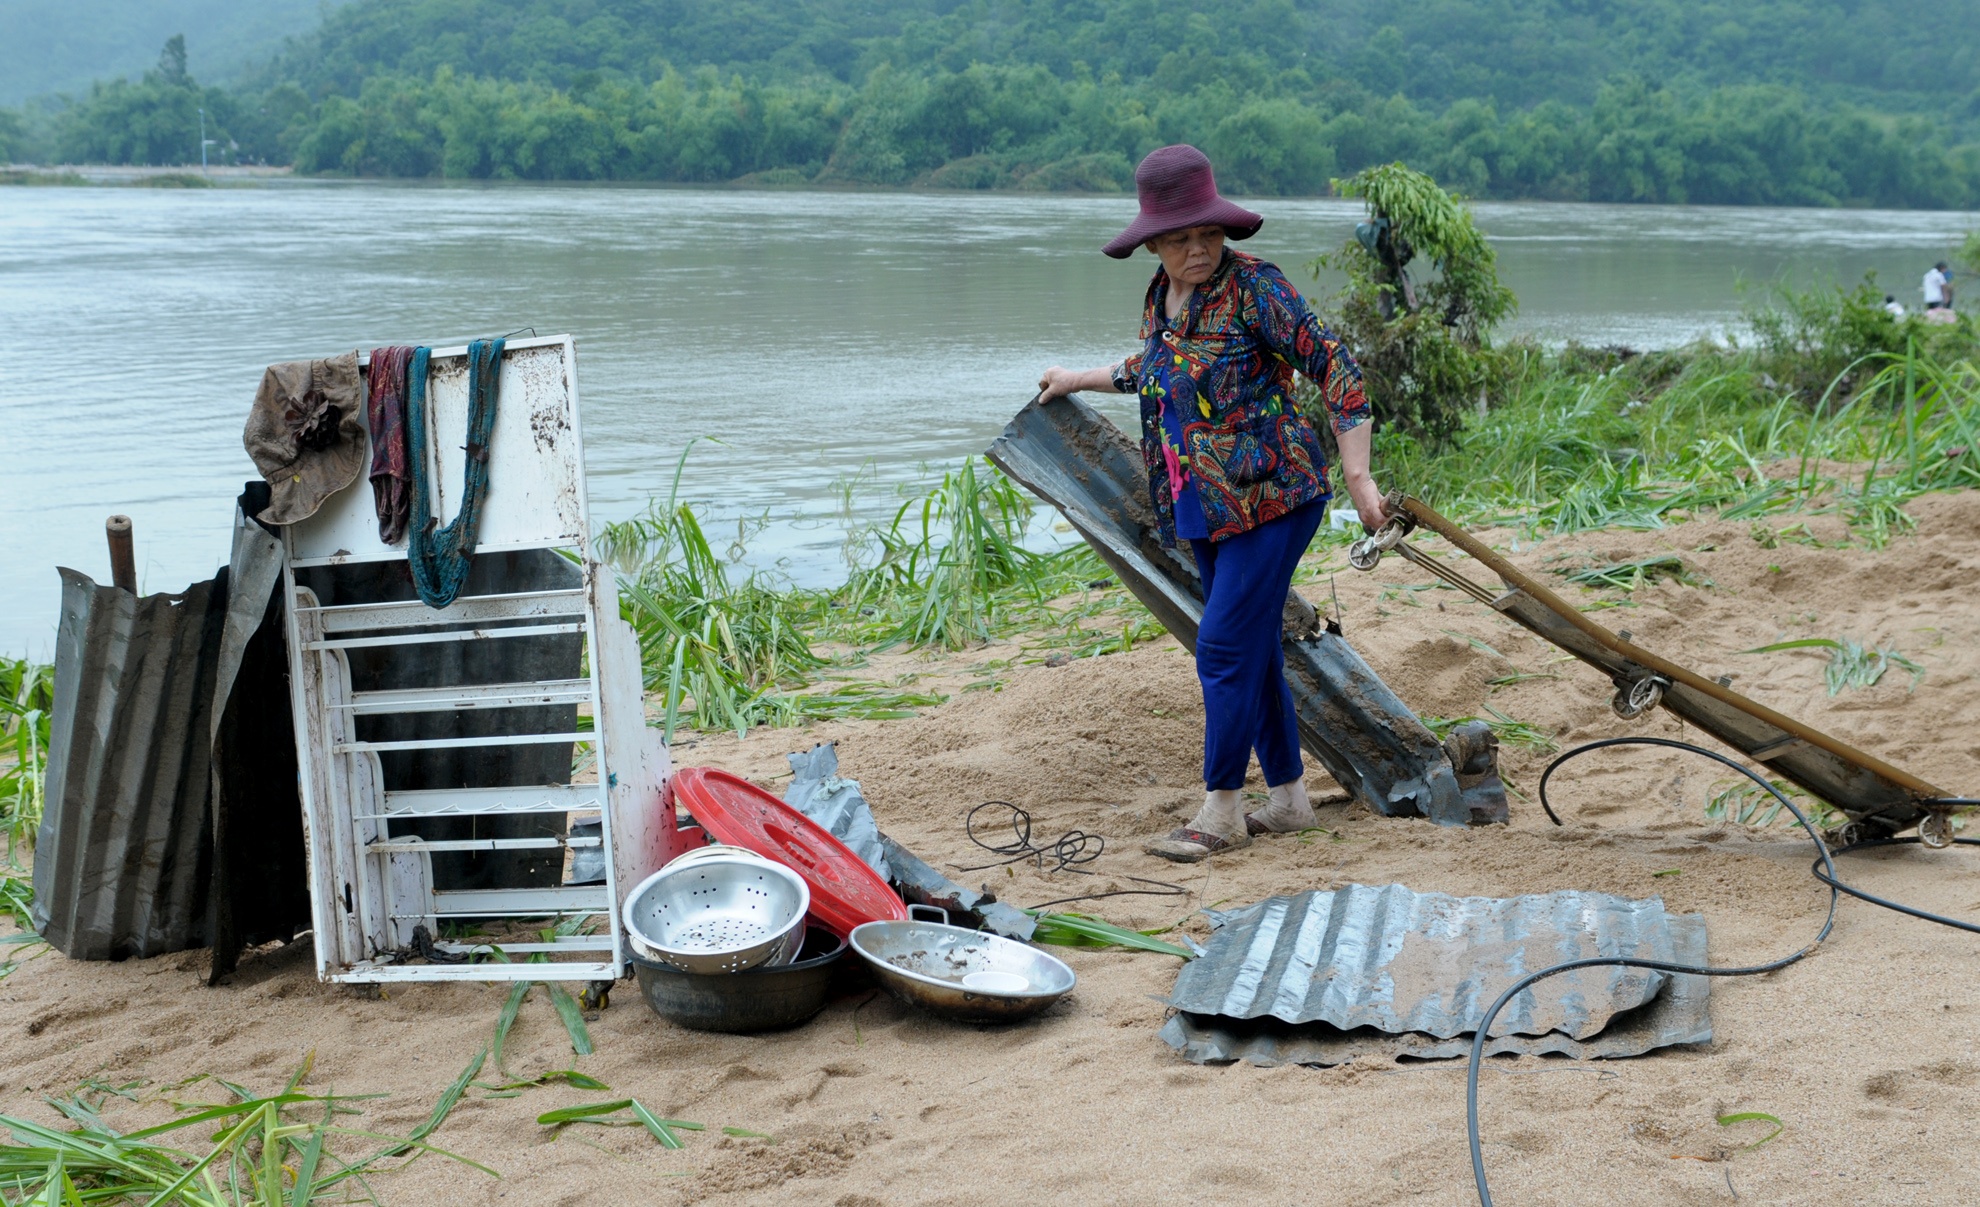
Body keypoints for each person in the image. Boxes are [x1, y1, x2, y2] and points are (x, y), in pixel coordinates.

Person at [1036, 144, 1387, 862]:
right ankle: (1288, 800)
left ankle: (1221, 809)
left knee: (1223, 648)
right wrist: (1077, 377)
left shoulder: (1257, 288)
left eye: (1207, 233)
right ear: (1153, 244)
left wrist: (1360, 478)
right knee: (1250, 651)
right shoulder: (1161, 300)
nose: (1197, 248)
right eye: (1179, 237)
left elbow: (1337, 367)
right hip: (1200, 504)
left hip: (1276, 496)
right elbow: (1155, 368)